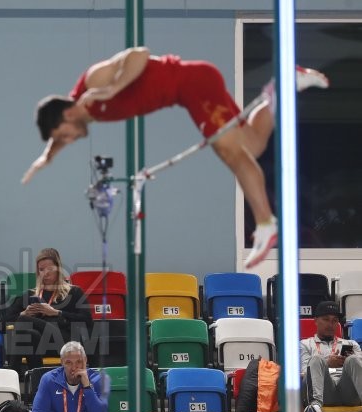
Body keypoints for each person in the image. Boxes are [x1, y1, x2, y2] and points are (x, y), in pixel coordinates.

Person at [21, 47, 330, 268]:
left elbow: (138, 54)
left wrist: (111, 89)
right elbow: (60, 138)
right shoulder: (82, 115)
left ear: (66, 113)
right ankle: (282, 87)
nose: (68, 141)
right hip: (188, 93)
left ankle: (265, 223)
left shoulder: (92, 84)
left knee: (231, 152)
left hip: (192, 84)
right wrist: (45, 158)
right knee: (252, 144)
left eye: (64, 135)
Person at [4, 248, 92, 374]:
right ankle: (39, 381)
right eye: (41, 269)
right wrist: (24, 313)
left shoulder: (74, 292)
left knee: (23, 322)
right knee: (27, 333)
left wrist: (57, 313)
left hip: (64, 342)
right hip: (40, 344)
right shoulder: (30, 295)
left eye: (50, 269)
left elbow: (87, 321)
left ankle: (12, 375)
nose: (45, 273)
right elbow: (1, 324)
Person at [300, 300, 362, 410]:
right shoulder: (304, 344)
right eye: (326, 319)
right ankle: (315, 407)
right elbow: (304, 373)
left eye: (334, 321)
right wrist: (327, 363)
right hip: (323, 391)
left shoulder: (351, 344)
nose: (330, 324)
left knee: (352, 359)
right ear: (316, 320)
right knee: (316, 358)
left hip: (350, 392)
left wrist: (348, 363)